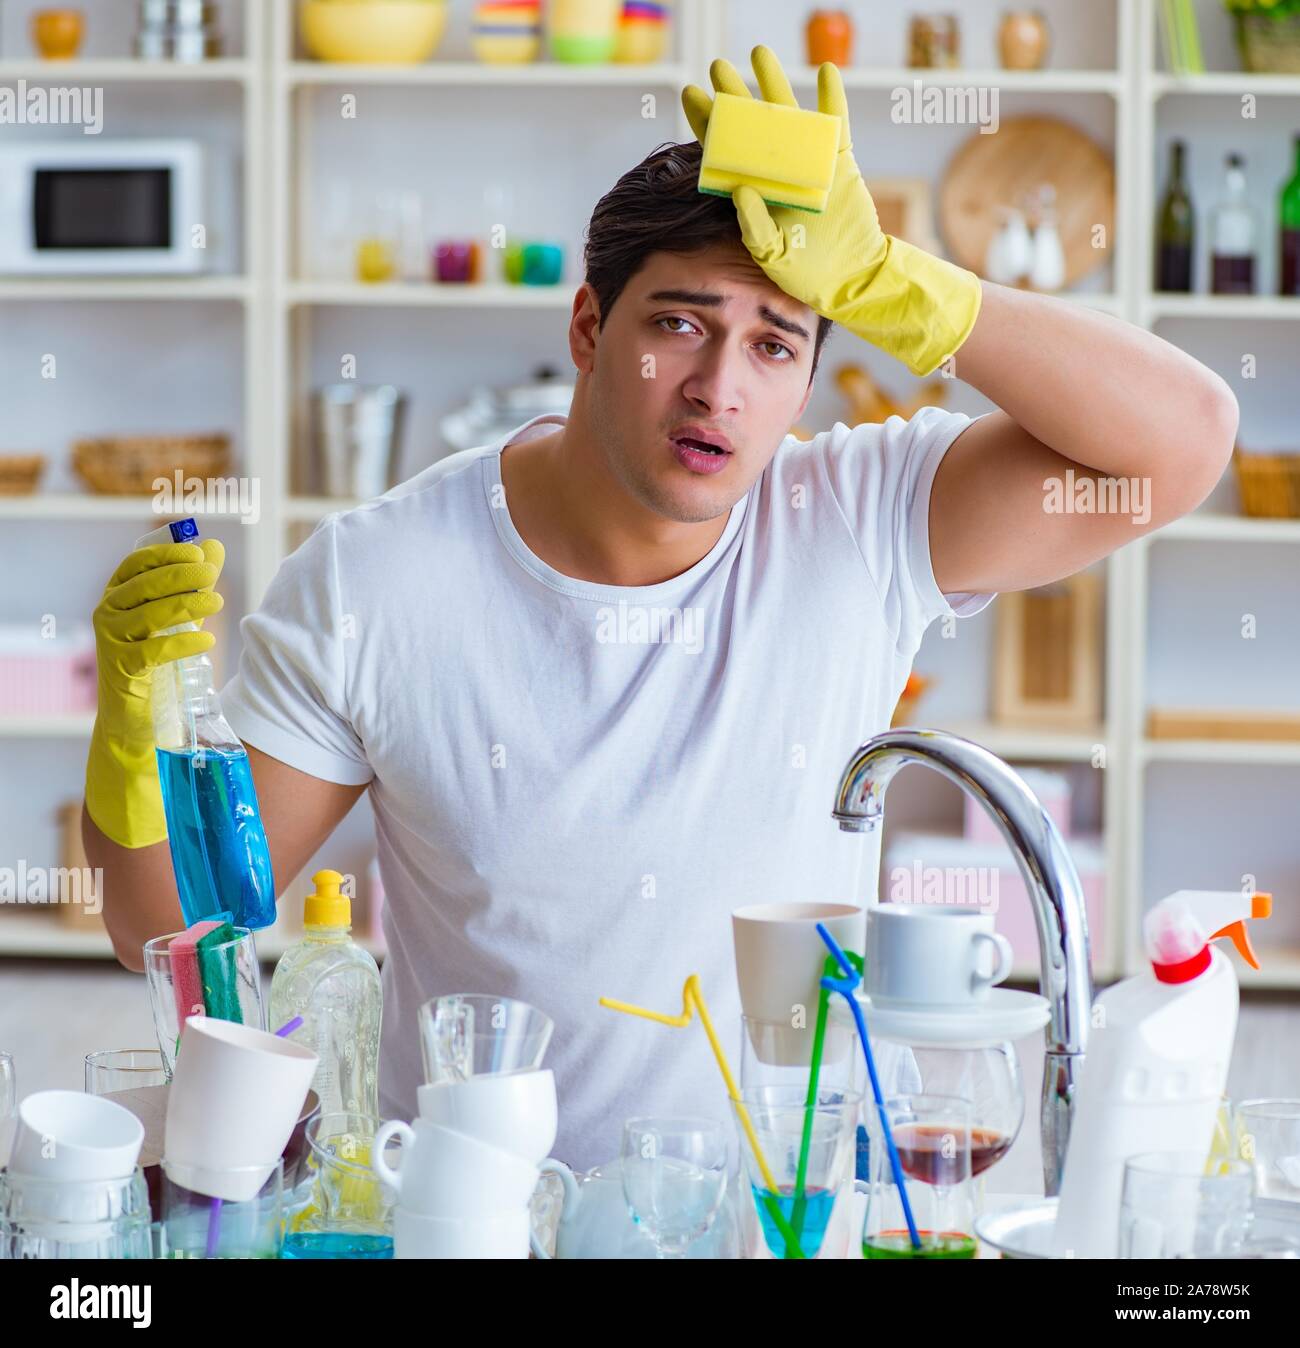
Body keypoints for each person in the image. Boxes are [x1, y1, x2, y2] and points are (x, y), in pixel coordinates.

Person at [85, 49, 1237, 1169]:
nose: (719, 386)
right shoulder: (376, 578)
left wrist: (899, 281)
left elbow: (1181, 445)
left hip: (776, 1217)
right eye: (678, 323)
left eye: (774, 342)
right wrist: (127, 735)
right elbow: (173, 934)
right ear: (588, 329)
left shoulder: (860, 520)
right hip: (481, 1217)